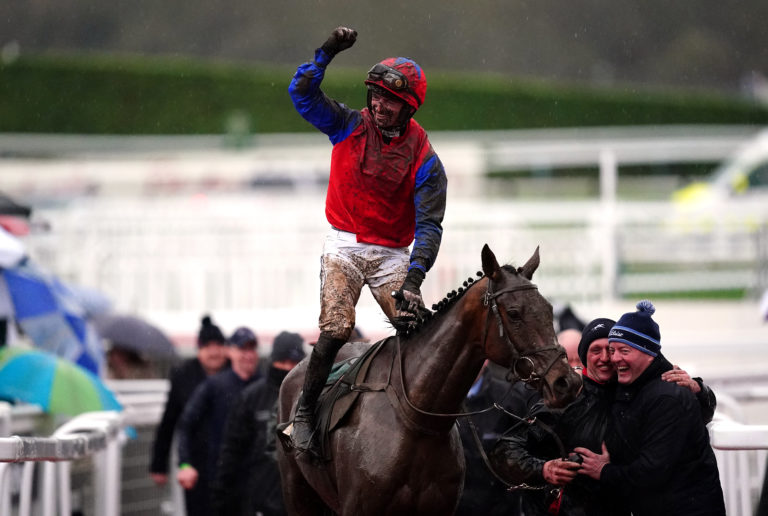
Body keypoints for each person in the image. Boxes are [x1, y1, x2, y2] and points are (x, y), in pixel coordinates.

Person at [287, 26, 447, 458]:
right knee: (337, 326)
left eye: (390, 100)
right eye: (375, 95)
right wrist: (325, 54)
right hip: (344, 246)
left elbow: (430, 225)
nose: (378, 105)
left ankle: (424, 420)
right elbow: (301, 95)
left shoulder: (425, 158)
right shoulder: (347, 124)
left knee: (417, 331)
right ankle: (303, 414)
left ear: (409, 106)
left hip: (393, 256)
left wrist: (414, 280)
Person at [491, 314, 716, 516]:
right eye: (595, 350)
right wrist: (544, 469)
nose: (607, 358)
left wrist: (698, 390)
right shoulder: (565, 400)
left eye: (612, 349)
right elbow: (504, 451)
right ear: (584, 357)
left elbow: (695, 416)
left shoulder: (641, 393)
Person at [576, 300, 725, 516]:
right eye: (610, 350)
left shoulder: (668, 393)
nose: (612, 358)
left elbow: (652, 471)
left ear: (648, 353)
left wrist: (604, 471)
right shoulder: (623, 385)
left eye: (623, 350)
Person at [211, 331, 307, 516]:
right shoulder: (251, 398)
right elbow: (232, 451)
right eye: (284, 361)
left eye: (294, 363)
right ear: (273, 360)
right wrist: (221, 497)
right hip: (261, 501)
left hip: (302, 500)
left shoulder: (312, 398)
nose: (289, 368)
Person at [175, 326, 261, 516]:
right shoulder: (214, 386)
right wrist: (185, 464)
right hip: (219, 481)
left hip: (256, 483)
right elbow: (186, 425)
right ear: (230, 351)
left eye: (252, 349)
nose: (248, 355)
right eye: (242, 349)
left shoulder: (265, 386)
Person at [149, 315, 228, 504]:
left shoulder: (235, 374)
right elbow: (169, 422)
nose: (214, 352)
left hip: (229, 463)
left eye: (218, 346)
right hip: (195, 463)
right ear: (199, 349)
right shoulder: (183, 376)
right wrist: (159, 465)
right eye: (208, 347)